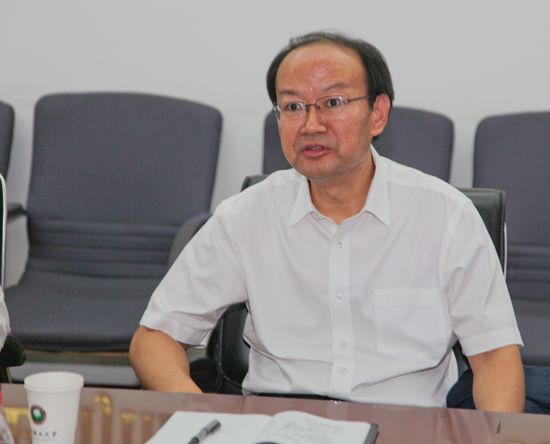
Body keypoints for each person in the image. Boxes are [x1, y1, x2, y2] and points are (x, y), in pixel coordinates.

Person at [130, 31, 525, 411]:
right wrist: (202, 415)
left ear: (378, 113)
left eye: (333, 102)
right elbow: (154, 338)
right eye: (292, 106)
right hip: (275, 421)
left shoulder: (446, 216)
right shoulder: (245, 216)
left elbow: (495, 357)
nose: (311, 124)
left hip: (409, 422)